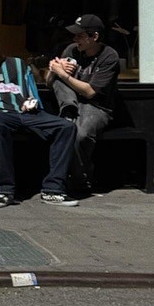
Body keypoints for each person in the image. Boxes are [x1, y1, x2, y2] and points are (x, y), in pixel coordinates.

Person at [0, 21, 78, 207]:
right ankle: (5, 191)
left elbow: (33, 96)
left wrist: (31, 103)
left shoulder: (19, 65)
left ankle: (53, 189)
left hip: (25, 113)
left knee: (67, 127)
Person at [48, 13, 122, 194]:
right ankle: (68, 113)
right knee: (59, 82)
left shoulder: (109, 56)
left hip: (97, 106)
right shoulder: (71, 50)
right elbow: (50, 83)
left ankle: (81, 179)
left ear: (94, 37)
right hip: (71, 101)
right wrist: (53, 70)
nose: (75, 39)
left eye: (80, 36)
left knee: (80, 135)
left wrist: (63, 74)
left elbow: (90, 92)